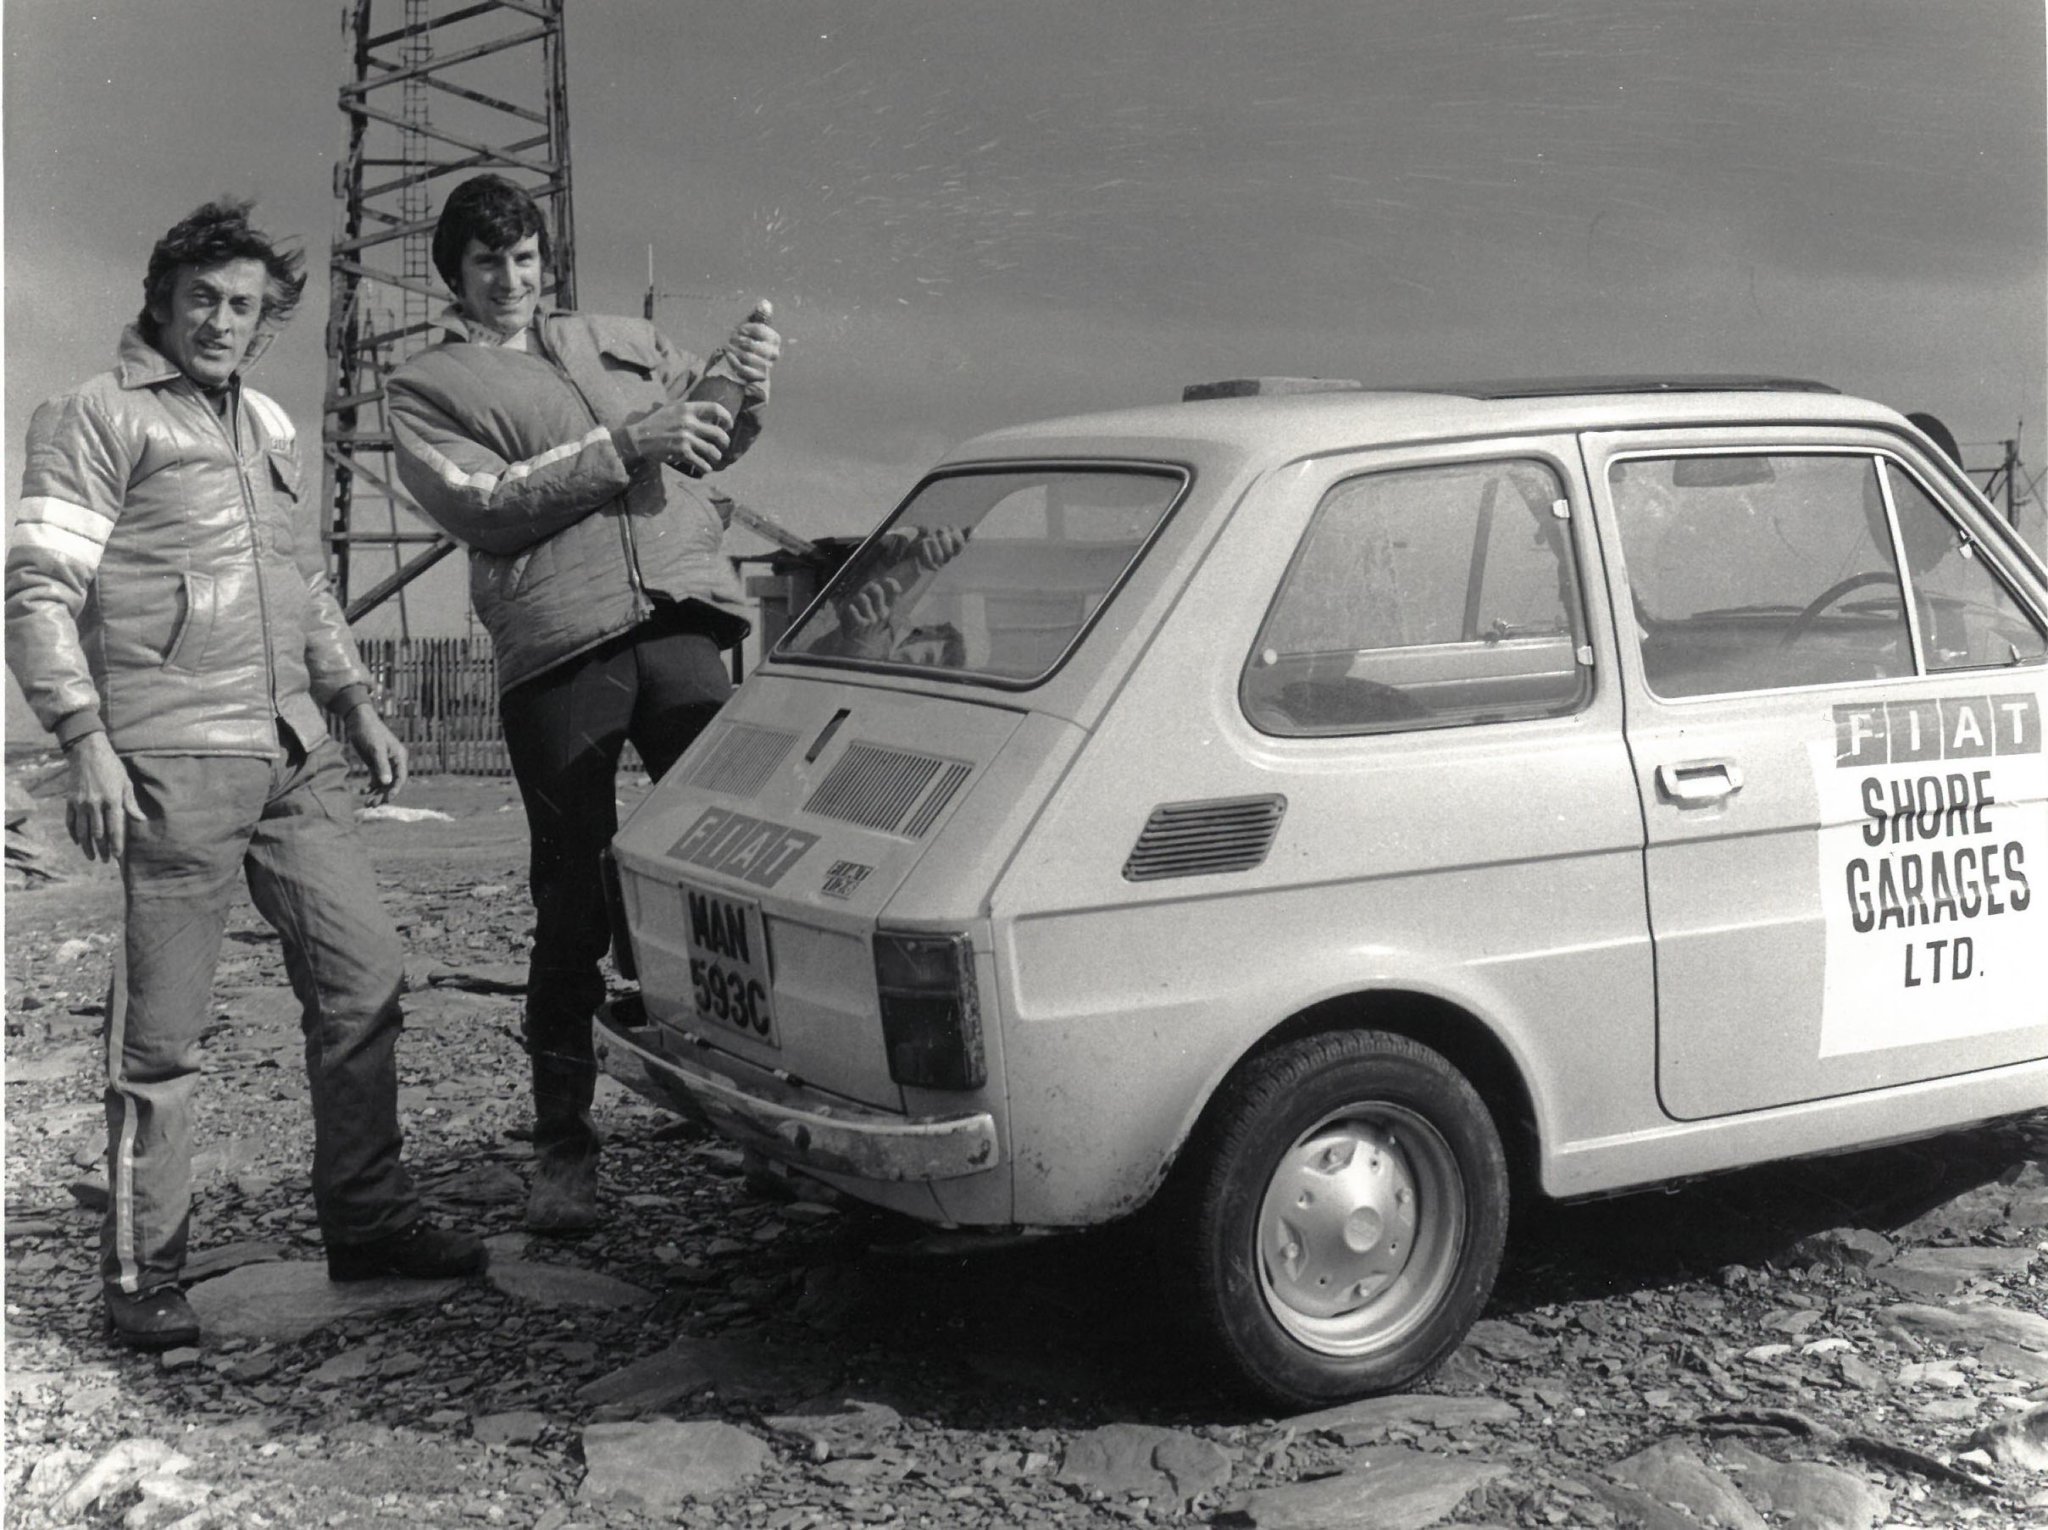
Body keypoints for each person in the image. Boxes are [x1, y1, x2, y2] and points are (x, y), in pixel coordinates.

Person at [4, 200, 487, 1351]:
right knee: (164, 1036)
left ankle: (366, 1222)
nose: (222, 322)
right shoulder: (94, 414)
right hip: (169, 754)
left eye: (245, 307)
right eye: (203, 301)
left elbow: (303, 583)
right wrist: (83, 739)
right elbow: (38, 595)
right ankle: (141, 1276)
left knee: (365, 980)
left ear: (267, 323)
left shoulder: (268, 421)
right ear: (160, 301)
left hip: (289, 753)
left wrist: (355, 701)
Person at [386, 174, 782, 1236]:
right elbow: (485, 505)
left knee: (730, 867)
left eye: (521, 259)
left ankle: (769, 1127)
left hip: (680, 616)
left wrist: (740, 386)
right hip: (560, 645)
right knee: (571, 891)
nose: (507, 280)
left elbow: (708, 437)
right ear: (455, 275)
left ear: (543, 261)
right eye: (485, 263)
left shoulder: (619, 339)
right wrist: (625, 447)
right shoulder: (423, 387)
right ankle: (564, 1143)